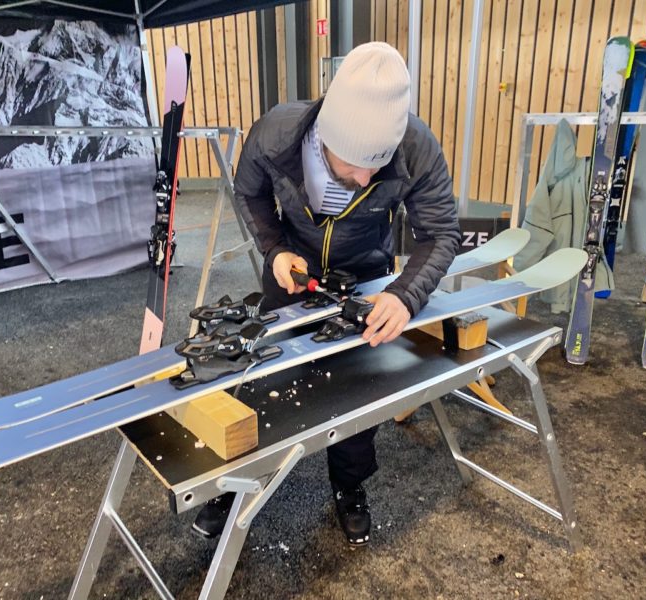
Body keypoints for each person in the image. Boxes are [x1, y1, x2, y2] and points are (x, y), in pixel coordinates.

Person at [192, 42, 460, 547]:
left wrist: (404, 295)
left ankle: (350, 487)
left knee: (357, 388)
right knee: (261, 371)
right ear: (323, 138)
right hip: (292, 266)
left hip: (366, 271)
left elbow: (442, 233)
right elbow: (247, 191)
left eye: (376, 170)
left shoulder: (416, 147)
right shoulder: (275, 134)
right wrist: (272, 248)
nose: (364, 179)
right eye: (353, 165)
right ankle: (231, 486)